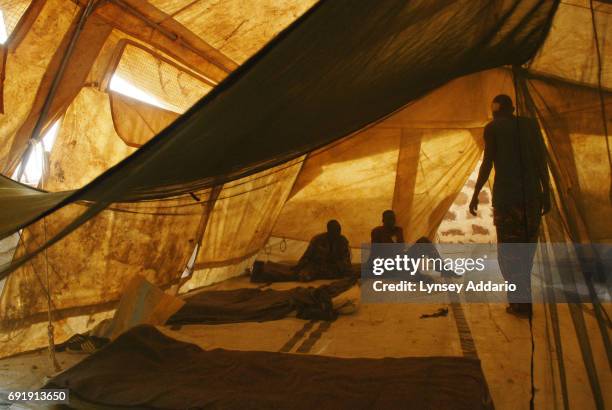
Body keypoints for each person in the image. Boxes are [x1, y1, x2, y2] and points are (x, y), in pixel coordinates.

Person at [469, 94, 550, 317]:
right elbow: (540, 159)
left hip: (507, 201)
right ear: (512, 108)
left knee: (508, 255)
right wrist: (547, 191)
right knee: (526, 253)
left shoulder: (493, 128)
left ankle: (519, 303)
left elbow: (487, 162)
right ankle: (523, 303)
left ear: (495, 111)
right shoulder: (530, 125)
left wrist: (476, 193)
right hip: (531, 199)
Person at [251, 220, 352, 282]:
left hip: (332, 270)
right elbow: (307, 256)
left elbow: (346, 261)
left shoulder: (342, 241)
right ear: (328, 230)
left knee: (354, 272)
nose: (337, 234)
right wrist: (299, 266)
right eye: (334, 231)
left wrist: (340, 268)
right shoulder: (318, 240)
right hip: (315, 267)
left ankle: (264, 268)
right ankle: (262, 270)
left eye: (338, 231)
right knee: (298, 275)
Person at [370, 210, 458, 278]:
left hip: (403, 259)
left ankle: (442, 268)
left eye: (393, 219)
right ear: (383, 220)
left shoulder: (398, 230)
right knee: (419, 277)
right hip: (390, 264)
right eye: (388, 219)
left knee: (424, 240)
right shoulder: (377, 232)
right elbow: (374, 253)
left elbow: (401, 248)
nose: (391, 221)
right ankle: (413, 274)